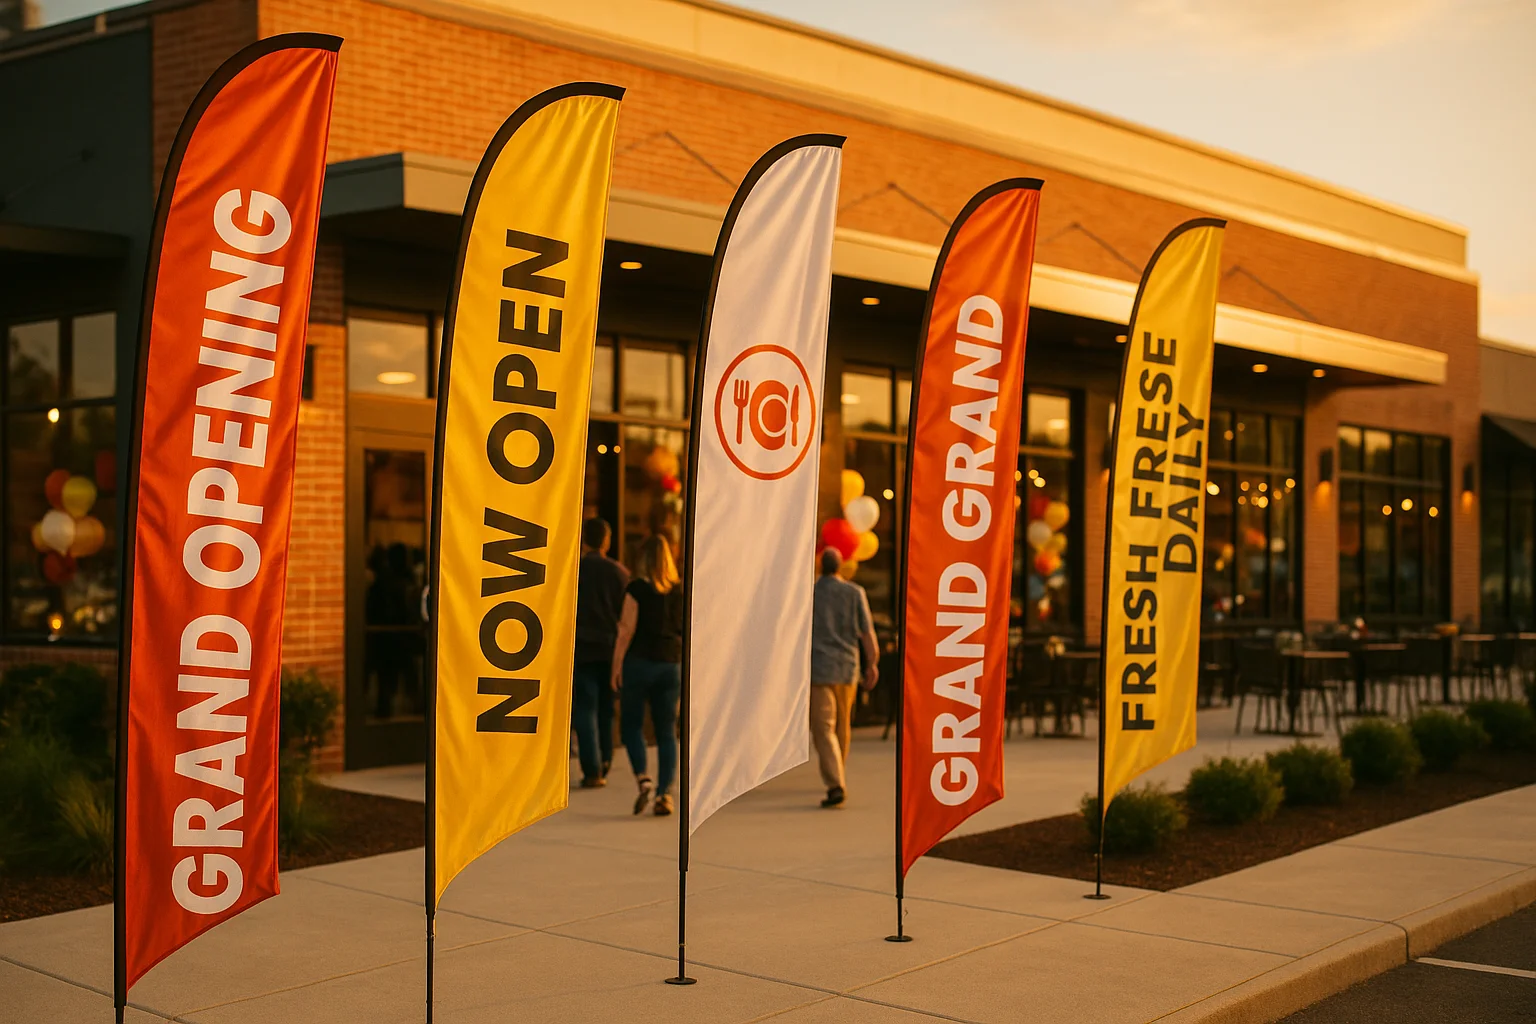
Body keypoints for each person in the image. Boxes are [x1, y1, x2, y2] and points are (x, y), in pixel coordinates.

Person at [611, 534, 684, 816]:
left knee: (631, 726)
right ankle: (665, 794)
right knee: (666, 731)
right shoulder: (678, 590)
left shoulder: (636, 589)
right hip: (669, 664)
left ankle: (644, 779)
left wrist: (616, 666)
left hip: (639, 663)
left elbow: (625, 630)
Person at [809, 546, 878, 808]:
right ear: (840, 567)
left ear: (820, 566)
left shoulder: (810, 592)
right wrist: (872, 663)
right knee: (842, 725)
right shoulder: (855, 593)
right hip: (848, 667)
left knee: (823, 727)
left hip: (818, 668)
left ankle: (835, 781)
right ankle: (839, 773)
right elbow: (867, 633)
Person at [572, 517, 629, 788]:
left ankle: (592, 769)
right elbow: (626, 615)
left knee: (584, 709)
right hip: (609, 649)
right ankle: (605, 760)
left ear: (583, 539)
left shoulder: (573, 570)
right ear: (606, 540)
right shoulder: (619, 573)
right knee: (607, 710)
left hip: (581, 649)